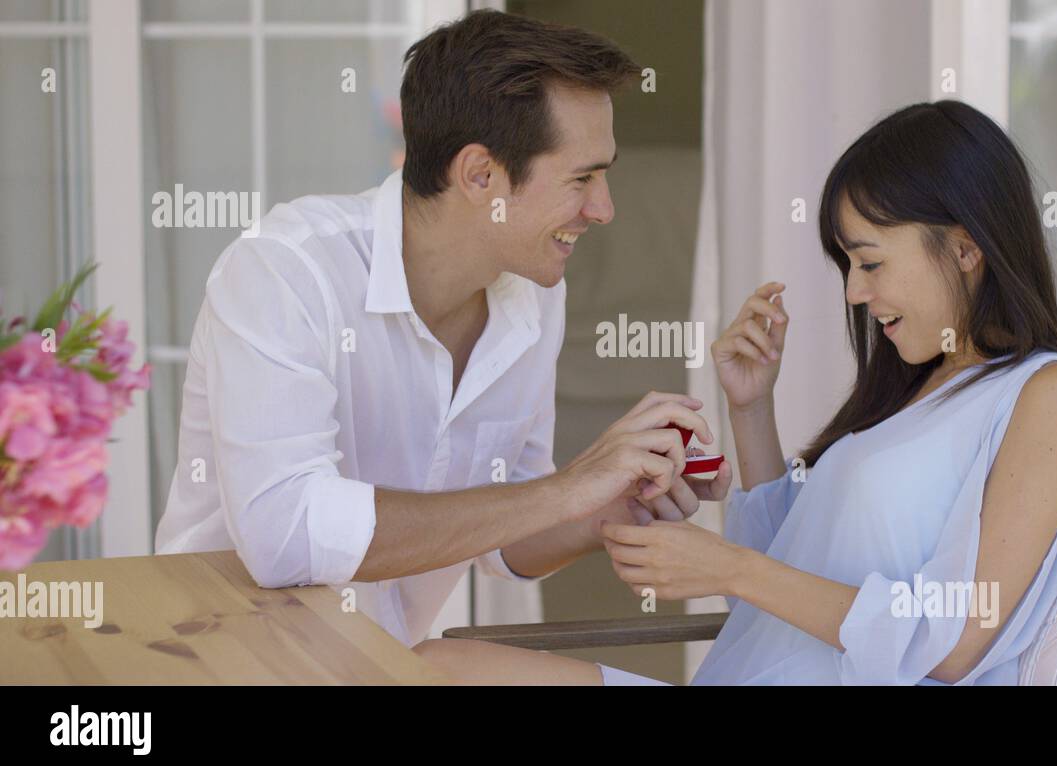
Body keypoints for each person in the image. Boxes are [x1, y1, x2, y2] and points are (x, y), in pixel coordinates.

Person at [413, 100, 1057, 685]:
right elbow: (797, 575)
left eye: (869, 261)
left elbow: (955, 642)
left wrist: (732, 568)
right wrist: (750, 406)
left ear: (964, 248)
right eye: (848, 266)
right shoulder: (922, 390)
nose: (857, 294)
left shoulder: (1051, 394)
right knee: (429, 667)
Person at [154, 10, 730, 648]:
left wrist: (601, 510)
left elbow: (504, 532)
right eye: (582, 178)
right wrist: (567, 489)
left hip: (389, 663)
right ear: (480, 175)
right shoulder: (285, 273)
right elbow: (286, 537)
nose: (604, 209)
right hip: (221, 659)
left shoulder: (533, 298)